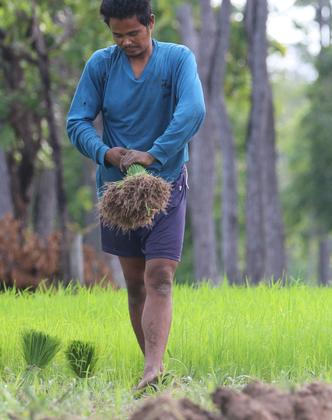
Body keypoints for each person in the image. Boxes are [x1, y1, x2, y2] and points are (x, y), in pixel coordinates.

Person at [66, 0, 205, 389]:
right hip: (117, 192)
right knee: (135, 283)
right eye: (117, 34)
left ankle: (153, 370)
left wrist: (155, 152)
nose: (126, 41)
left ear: (151, 23)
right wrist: (105, 152)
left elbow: (193, 110)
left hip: (165, 183)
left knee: (159, 275)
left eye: (134, 33)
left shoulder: (178, 60)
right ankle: (153, 368)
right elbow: (77, 120)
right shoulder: (101, 65)